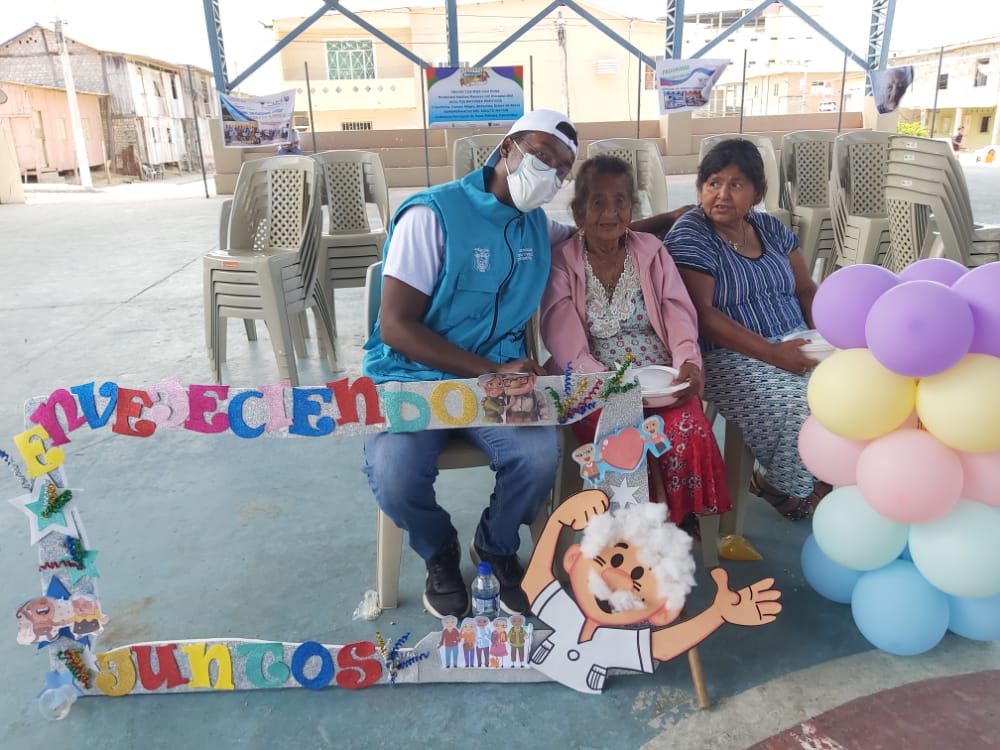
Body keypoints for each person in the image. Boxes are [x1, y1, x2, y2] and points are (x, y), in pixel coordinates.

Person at [362, 109, 581, 619]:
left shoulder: (536, 226)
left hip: (498, 383)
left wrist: (674, 220)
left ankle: (495, 545)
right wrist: (489, 370)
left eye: (561, 170)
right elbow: (396, 326)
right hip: (413, 375)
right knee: (395, 472)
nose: (549, 174)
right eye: (541, 156)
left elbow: (594, 232)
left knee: (537, 459)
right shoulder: (433, 216)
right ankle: (438, 551)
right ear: (507, 149)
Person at [540, 154, 732, 534]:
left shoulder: (650, 251)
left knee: (685, 431)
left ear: (632, 207)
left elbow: (678, 313)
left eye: (620, 202)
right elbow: (565, 342)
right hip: (594, 385)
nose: (610, 213)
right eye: (598, 202)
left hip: (660, 382)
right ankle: (635, 533)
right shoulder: (562, 262)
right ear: (578, 211)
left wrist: (687, 362)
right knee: (625, 443)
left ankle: (678, 521)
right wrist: (613, 388)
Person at [666, 138, 832, 521]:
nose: (722, 194)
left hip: (795, 340)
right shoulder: (692, 234)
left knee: (850, 384)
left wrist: (827, 340)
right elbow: (702, 314)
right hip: (729, 355)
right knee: (800, 403)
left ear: (757, 192)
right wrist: (774, 354)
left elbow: (805, 288)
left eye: (736, 184)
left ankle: (824, 474)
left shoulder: (769, 228)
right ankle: (782, 486)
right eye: (713, 183)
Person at [522, 490, 781, 695]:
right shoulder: (566, 614)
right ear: (573, 559)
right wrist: (558, 520)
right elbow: (534, 583)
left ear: (664, 613)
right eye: (614, 560)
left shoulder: (617, 642)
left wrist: (718, 614)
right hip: (535, 667)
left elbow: (663, 646)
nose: (620, 580)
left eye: (639, 576)